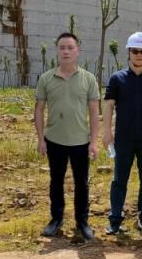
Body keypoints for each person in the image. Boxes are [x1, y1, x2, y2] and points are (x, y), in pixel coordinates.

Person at [34, 32, 100, 241]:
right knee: (56, 181)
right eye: (62, 47)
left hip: (80, 142)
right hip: (54, 140)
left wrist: (94, 141)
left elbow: (93, 111)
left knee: (82, 183)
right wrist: (40, 139)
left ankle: (82, 222)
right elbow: (39, 109)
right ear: (57, 51)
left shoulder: (88, 79)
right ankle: (56, 219)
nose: (66, 51)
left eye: (70, 47)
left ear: (77, 51)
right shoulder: (46, 78)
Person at [101, 32, 142, 235]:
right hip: (123, 138)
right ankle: (115, 219)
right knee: (120, 179)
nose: (139, 55)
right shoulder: (117, 79)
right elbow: (109, 106)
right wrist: (107, 132)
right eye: (135, 51)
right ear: (128, 53)